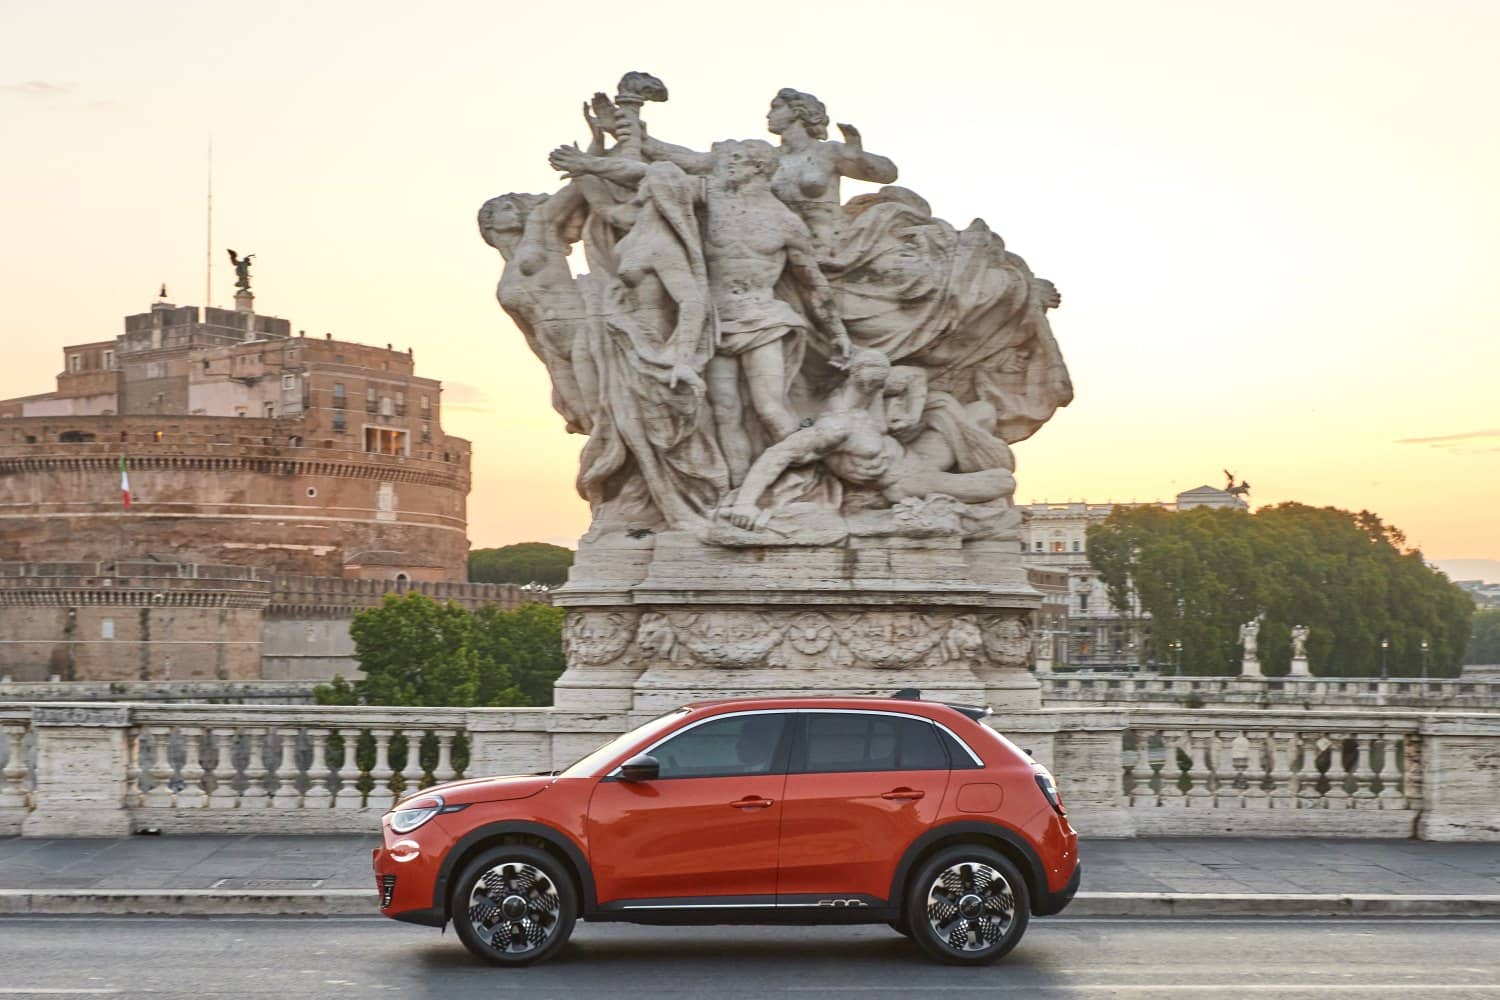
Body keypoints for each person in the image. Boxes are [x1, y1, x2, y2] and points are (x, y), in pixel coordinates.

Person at [763, 88, 898, 254]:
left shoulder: (828, 152)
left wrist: (859, 157)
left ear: (798, 112)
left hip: (827, 242)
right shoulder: (767, 157)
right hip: (778, 240)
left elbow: (889, 175)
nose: (768, 115)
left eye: (776, 107)